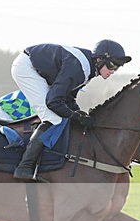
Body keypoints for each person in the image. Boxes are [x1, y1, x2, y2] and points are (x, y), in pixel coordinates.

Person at [11, 39, 131, 181]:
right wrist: (77, 117)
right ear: (99, 59)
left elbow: (68, 98)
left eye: (116, 68)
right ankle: (24, 167)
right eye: (111, 65)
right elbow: (53, 102)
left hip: (36, 68)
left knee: (60, 117)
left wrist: (79, 113)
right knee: (53, 118)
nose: (112, 71)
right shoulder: (78, 68)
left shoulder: (88, 70)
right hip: (27, 68)